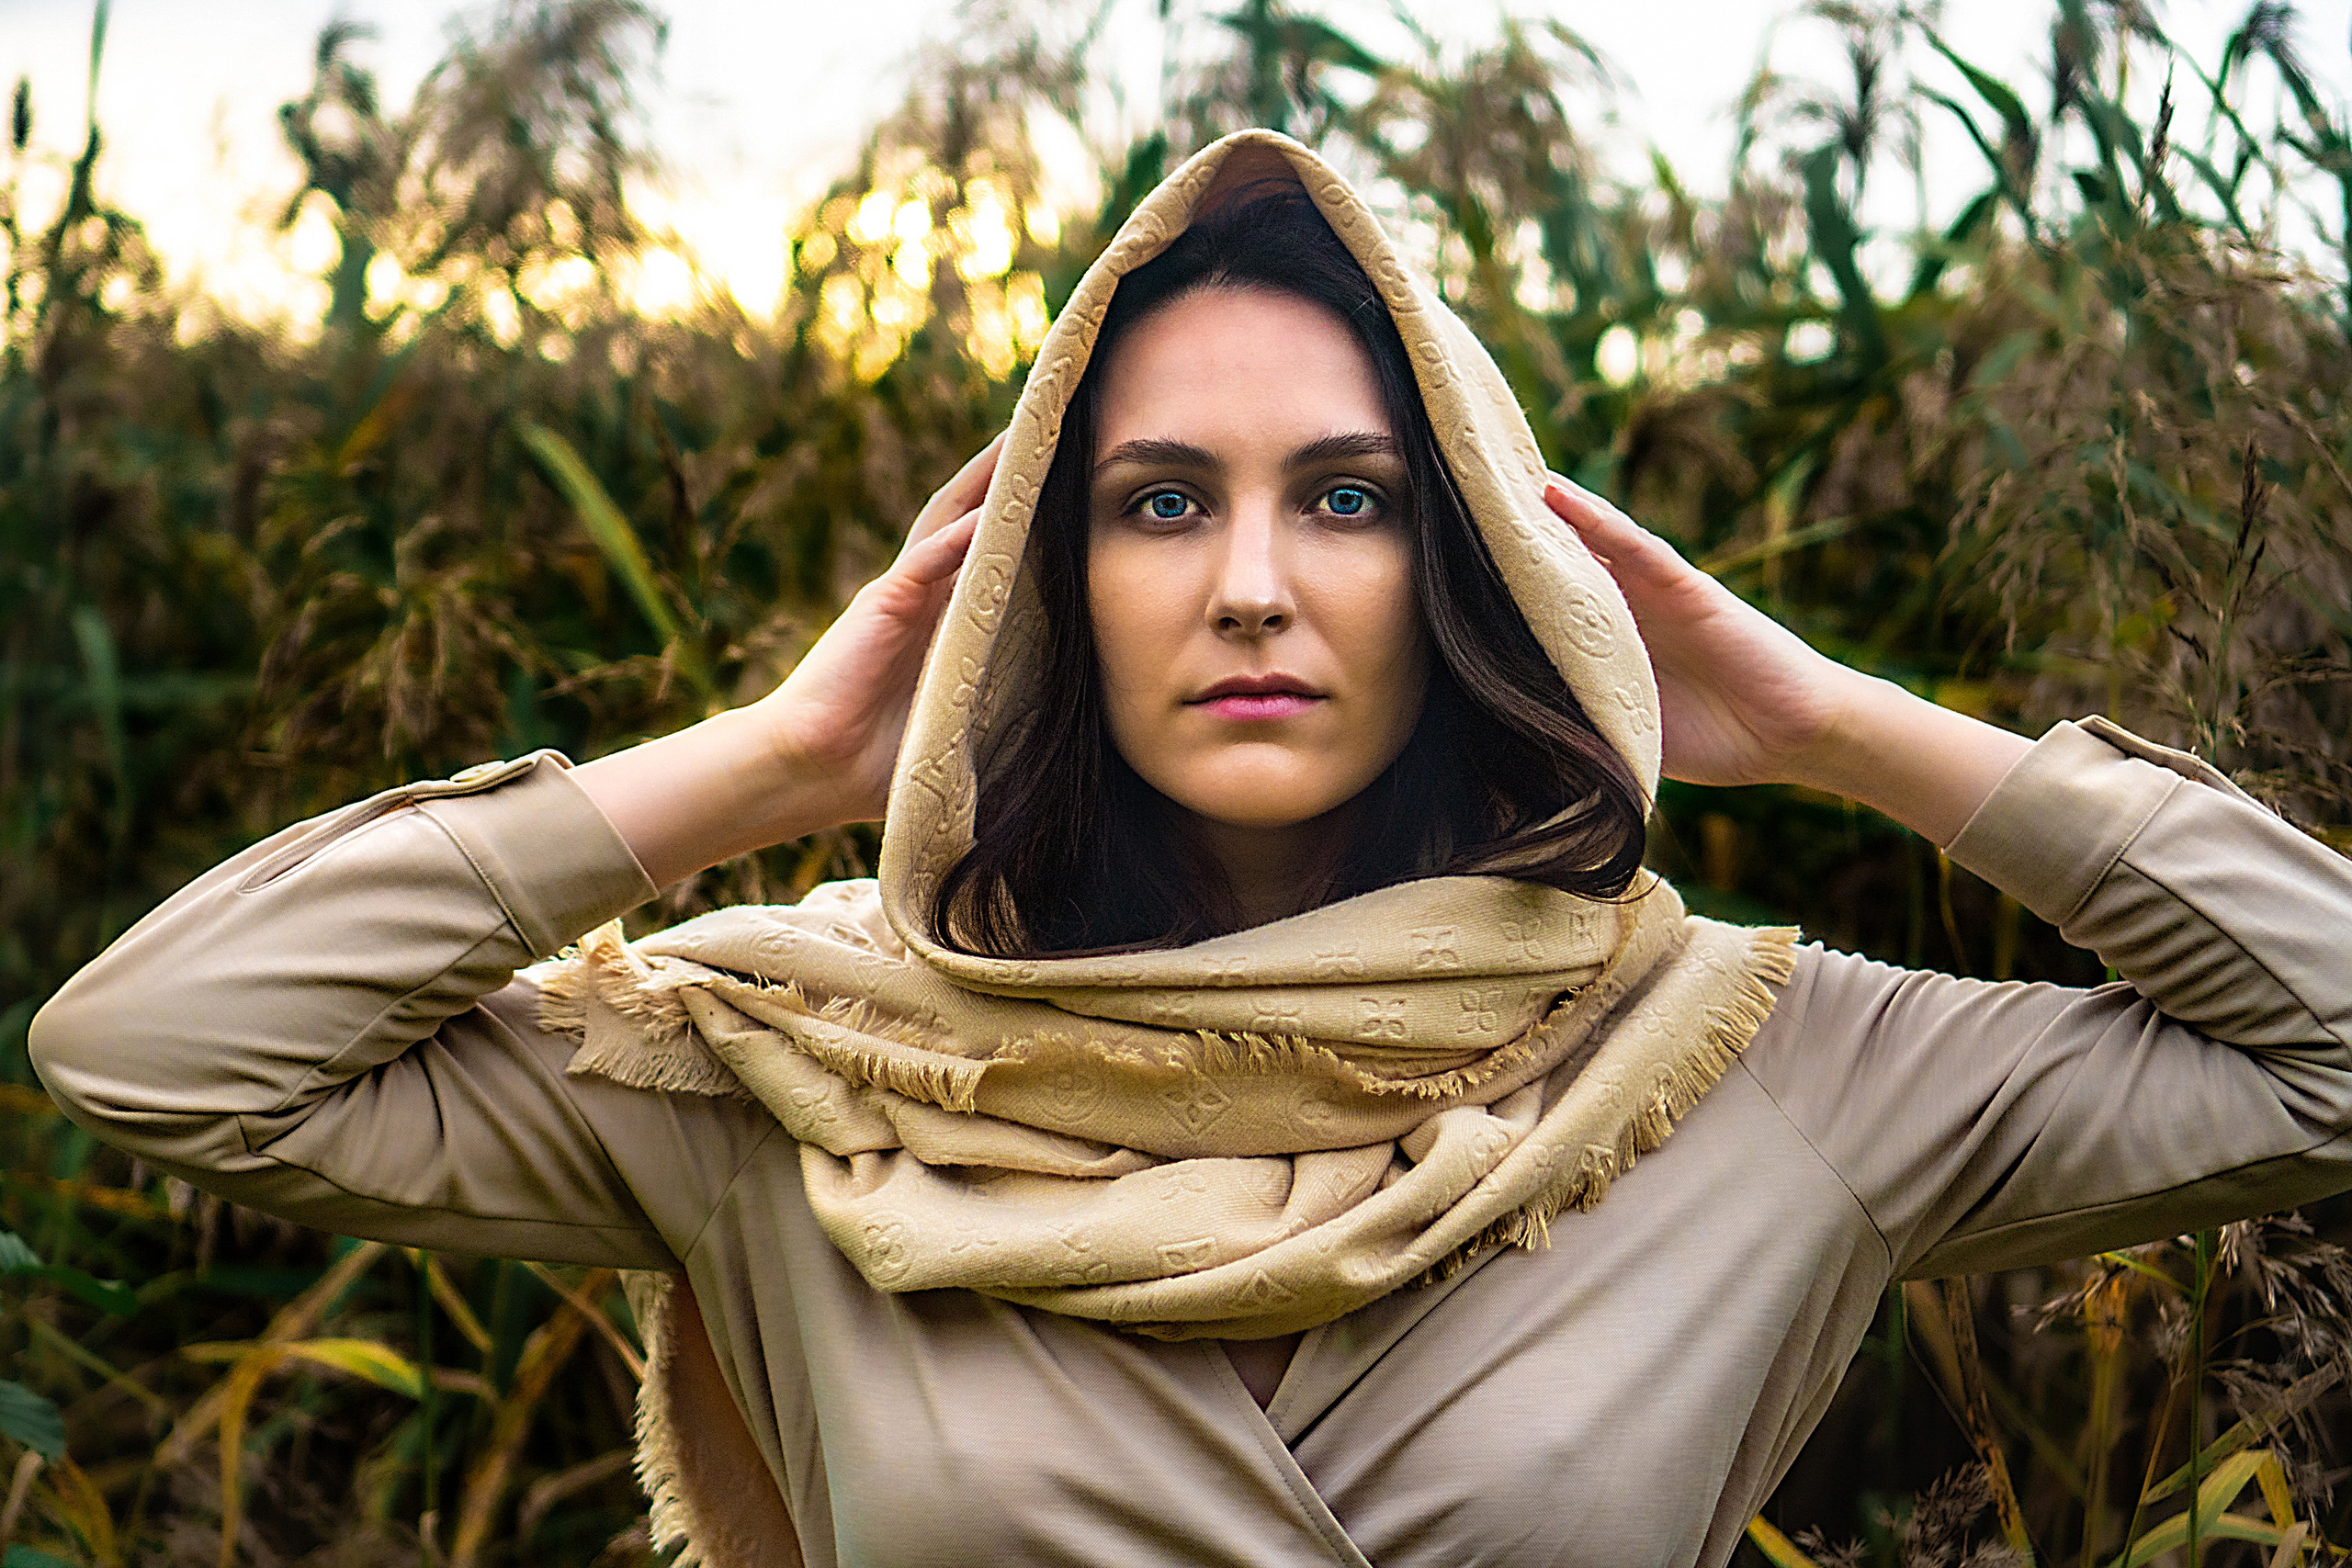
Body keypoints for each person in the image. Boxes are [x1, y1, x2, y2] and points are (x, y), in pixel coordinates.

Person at [28, 130, 2352, 1568]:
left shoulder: (1746, 1061)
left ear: (1463, 579)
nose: (1250, 581)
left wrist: (1840, 729)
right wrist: (773, 757)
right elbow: (165, 1047)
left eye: (1345, 498)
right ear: (1056, 582)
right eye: (1157, 502)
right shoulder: (806, 1069)